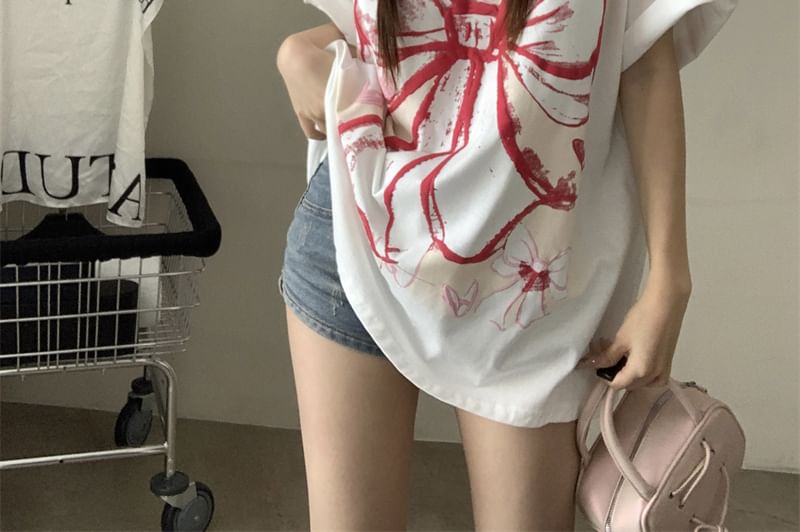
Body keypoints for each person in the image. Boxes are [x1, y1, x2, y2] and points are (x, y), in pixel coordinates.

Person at [276, 0, 738, 529]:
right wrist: (298, 51)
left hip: (531, 288)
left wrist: (670, 281)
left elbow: (643, 59)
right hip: (359, 235)